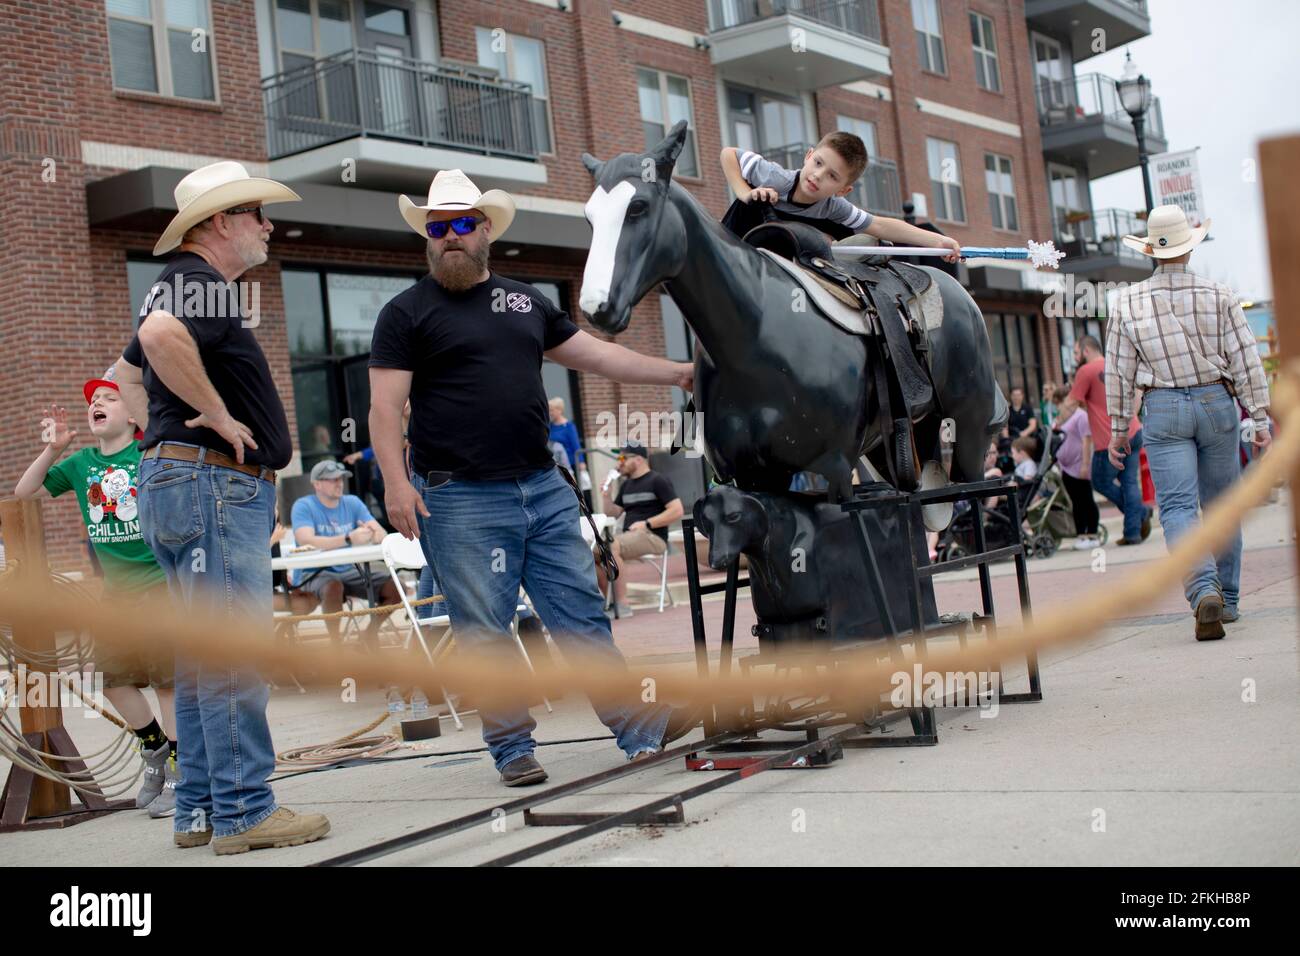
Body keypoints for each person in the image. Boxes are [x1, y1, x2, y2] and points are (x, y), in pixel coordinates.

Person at [368, 168, 702, 787]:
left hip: (542, 488)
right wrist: (395, 482)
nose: (449, 237)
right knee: (484, 632)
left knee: (580, 613)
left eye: (462, 224)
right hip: (459, 497)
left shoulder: (524, 301)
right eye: (438, 227)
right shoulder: (405, 313)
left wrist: (676, 371)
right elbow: (385, 409)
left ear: (485, 230)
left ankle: (638, 727)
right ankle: (511, 748)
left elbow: (597, 353)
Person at [113, 160, 329, 854]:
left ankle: (199, 810)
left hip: (182, 483)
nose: (268, 224)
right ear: (218, 224)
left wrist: (166, 439)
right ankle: (244, 812)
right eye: (255, 212)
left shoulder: (175, 285)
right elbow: (154, 344)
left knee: (203, 658)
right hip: (210, 484)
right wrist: (215, 418)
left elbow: (123, 380)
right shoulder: (198, 282)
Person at [13, 375, 178, 818]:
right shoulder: (82, 462)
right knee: (113, 679)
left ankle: (183, 773)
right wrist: (54, 449)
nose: (97, 404)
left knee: (167, 682)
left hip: (160, 588)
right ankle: (155, 748)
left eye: (109, 398)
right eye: (92, 401)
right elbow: (22, 494)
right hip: (116, 596)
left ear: (131, 415)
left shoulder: (147, 453)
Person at [1105, 205, 1272, 641]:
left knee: (1177, 508)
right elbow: (1246, 360)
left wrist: (1119, 428)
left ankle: (1202, 590)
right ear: (1189, 249)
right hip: (1217, 401)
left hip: (1161, 408)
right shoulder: (1220, 295)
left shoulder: (1126, 303)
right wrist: (1259, 416)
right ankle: (1229, 600)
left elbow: (1119, 373)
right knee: (1222, 504)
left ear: (1151, 253)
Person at [719, 133, 961, 260]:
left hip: (771, 265)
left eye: (832, 176)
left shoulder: (833, 207)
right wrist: (747, 193)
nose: (818, 175)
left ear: (843, 190)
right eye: (818, 163)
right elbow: (729, 154)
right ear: (808, 155)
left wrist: (938, 241)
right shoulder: (775, 178)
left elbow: (879, 224)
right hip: (729, 245)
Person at [289, 459, 401, 649]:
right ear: (317, 484)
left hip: (349, 569)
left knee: (397, 590)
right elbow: (305, 539)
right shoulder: (303, 505)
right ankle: (336, 647)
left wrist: (372, 533)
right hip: (313, 572)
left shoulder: (352, 502)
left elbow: (381, 534)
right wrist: (348, 539)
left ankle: (367, 636)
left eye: (341, 478)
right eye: (333, 479)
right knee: (333, 586)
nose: (339, 483)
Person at [1058, 335, 1150, 546]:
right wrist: (1131, 418)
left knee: (1100, 481)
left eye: (1075, 352)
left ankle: (1141, 512)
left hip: (1108, 439)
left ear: (1086, 350)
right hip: (1133, 431)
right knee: (1129, 482)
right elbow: (1138, 392)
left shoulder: (1086, 371)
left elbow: (1071, 403)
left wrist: (1056, 422)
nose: (1074, 356)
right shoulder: (1119, 363)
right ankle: (1132, 532)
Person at [596, 443, 684, 618]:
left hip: (653, 537)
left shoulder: (657, 480)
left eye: (623, 458)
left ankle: (622, 605)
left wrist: (647, 524)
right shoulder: (626, 485)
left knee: (611, 545)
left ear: (638, 459)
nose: (619, 462)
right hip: (628, 537)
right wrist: (606, 496)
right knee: (592, 551)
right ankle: (607, 603)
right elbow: (612, 513)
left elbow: (677, 510)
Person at [1052, 391, 1099, 550]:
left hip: (1079, 464)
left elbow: (1087, 440)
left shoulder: (1081, 416)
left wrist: (1086, 465)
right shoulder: (1059, 418)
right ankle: (1081, 534)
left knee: (1086, 499)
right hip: (1065, 467)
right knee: (1076, 502)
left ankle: (1092, 533)